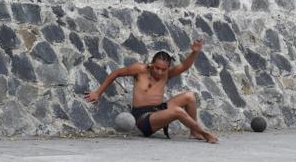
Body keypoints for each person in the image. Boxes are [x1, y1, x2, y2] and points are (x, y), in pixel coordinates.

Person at [84, 40, 218, 143]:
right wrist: (98, 92)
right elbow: (116, 73)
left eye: (163, 69)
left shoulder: (167, 74)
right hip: (143, 119)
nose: (159, 72)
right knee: (177, 111)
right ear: (151, 64)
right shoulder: (139, 69)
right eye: (156, 68)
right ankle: (205, 133)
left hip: (158, 110)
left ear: (167, 68)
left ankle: (194, 132)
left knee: (189, 96)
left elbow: (184, 66)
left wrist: (194, 52)